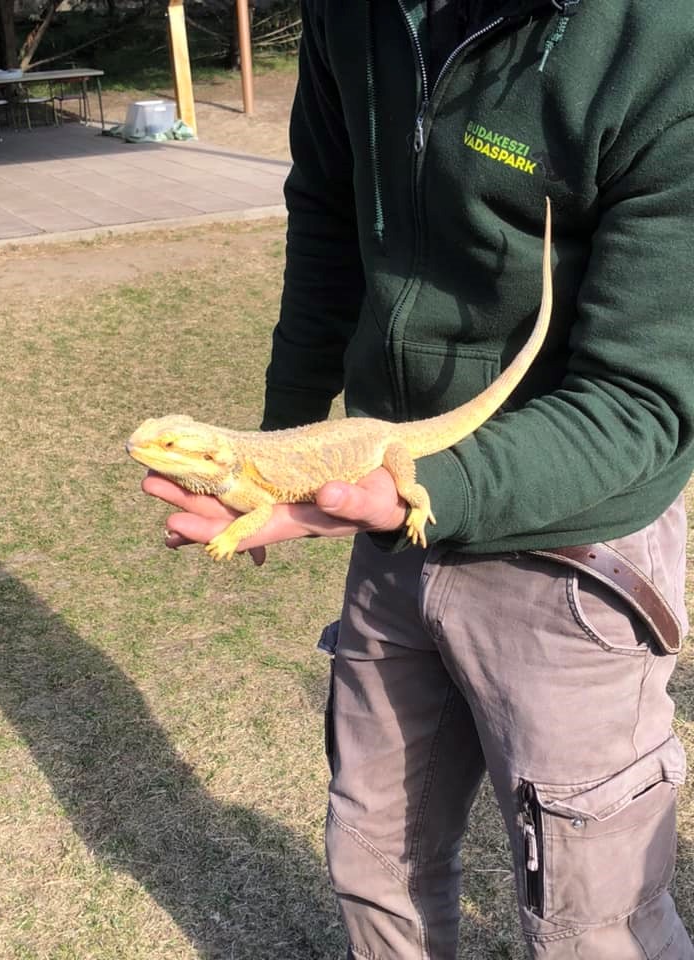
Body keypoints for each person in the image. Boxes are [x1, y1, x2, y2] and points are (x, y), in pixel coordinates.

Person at [142, 0, 694, 956]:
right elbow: (325, 208)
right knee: (371, 860)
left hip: (574, 550)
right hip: (384, 530)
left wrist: (396, 493)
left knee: (591, 921)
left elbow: (646, 402)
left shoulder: (664, 39)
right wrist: (281, 447)